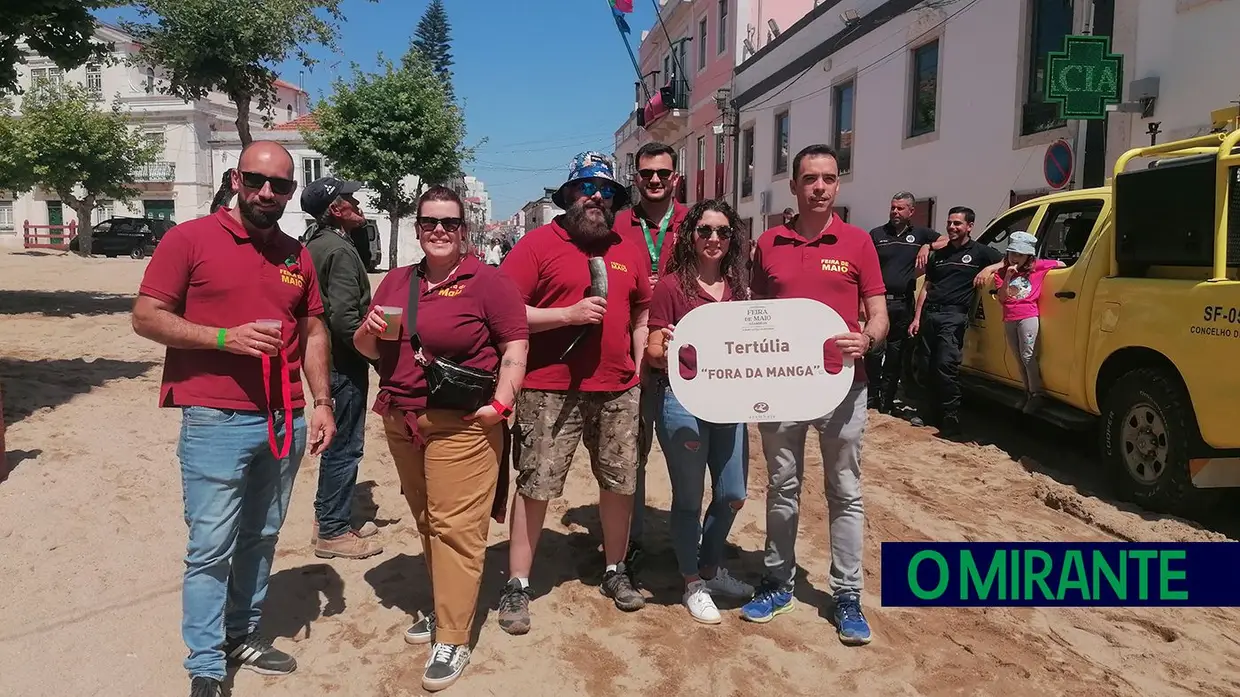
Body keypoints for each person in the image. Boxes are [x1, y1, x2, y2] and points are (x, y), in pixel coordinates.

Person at [131, 141, 336, 697]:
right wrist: (225, 338)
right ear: (235, 178)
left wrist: (322, 402)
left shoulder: (298, 255)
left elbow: (314, 329)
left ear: (292, 192)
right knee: (211, 544)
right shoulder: (189, 239)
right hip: (215, 418)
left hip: (285, 417)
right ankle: (205, 663)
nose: (268, 192)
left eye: (281, 185)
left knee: (263, 534)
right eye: (257, 179)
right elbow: (146, 316)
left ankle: (241, 632)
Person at [354, 185, 529, 691]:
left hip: (462, 423)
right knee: (428, 520)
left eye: (449, 223)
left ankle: (452, 635)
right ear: (417, 228)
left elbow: (515, 347)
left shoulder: (488, 283)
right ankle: (445, 606)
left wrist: (499, 406)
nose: (439, 231)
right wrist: (369, 330)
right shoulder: (396, 282)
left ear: (464, 228)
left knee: (457, 528)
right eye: (430, 222)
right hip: (401, 419)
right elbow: (367, 349)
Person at [496, 151, 651, 634]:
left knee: (620, 482)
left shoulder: (629, 246)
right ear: (568, 196)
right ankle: (518, 583)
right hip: (549, 388)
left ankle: (614, 569)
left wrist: (640, 369)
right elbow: (503, 313)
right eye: (586, 189)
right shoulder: (537, 244)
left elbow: (643, 312)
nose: (596, 197)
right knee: (535, 485)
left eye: (605, 191)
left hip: (618, 388)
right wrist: (566, 315)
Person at [741, 144, 887, 647]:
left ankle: (846, 593)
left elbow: (879, 312)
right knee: (782, 487)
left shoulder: (859, 242)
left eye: (828, 178)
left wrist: (868, 337)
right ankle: (777, 581)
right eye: (810, 178)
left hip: (844, 387)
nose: (820, 187)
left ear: (837, 185)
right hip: (781, 389)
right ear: (795, 185)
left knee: (845, 490)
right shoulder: (767, 243)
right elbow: (752, 314)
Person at [644, 199, 754, 623]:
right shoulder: (671, 287)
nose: (713, 239)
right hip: (682, 402)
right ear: (691, 235)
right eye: (705, 230)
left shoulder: (740, 289)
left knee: (732, 494)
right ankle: (692, 581)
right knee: (688, 499)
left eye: (723, 232)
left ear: (732, 239)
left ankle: (710, 566)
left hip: (730, 402)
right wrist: (663, 349)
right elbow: (654, 350)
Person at [610, 141, 687, 584]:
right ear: (635, 178)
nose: (654, 179)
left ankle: (685, 544)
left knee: (685, 458)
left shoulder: (696, 223)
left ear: (675, 176)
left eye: (662, 172)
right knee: (630, 458)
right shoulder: (618, 224)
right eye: (645, 173)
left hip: (686, 365)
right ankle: (631, 541)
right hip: (630, 360)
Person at [302, 176, 384, 559]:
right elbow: (344, 319)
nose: (357, 203)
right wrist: (380, 358)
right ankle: (333, 531)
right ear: (336, 209)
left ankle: (329, 517)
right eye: (350, 198)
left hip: (330, 360)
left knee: (338, 442)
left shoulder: (319, 244)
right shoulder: (338, 250)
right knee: (346, 446)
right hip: (343, 361)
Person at [909, 206, 1003, 437]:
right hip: (930, 315)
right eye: (950, 223)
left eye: (957, 224)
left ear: (970, 226)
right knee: (925, 366)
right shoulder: (938, 255)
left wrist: (989, 268)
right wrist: (917, 318)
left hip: (954, 316)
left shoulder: (981, 253)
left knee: (945, 366)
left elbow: (1009, 262)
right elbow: (927, 287)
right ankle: (928, 414)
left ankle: (950, 417)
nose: (952, 227)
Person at [865, 192, 944, 413]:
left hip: (903, 304)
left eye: (900, 209)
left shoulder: (920, 234)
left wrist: (929, 246)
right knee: (873, 352)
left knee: (895, 355)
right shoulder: (877, 234)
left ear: (911, 211)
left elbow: (949, 240)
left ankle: (887, 404)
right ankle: (871, 399)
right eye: (893, 208)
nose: (895, 212)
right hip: (879, 303)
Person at [988, 231, 1064, 414]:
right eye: (1013, 253)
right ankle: (1027, 392)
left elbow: (1061, 263)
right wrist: (1007, 276)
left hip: (1028, 315)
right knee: (1018, 357)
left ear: (1028, 256)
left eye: (1020, 255)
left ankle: (1037, 394)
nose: (1016, 258)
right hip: (1009, 317)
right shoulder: (1001, 273)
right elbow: (1002, 298)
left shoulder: (1037, 267)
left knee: (1028, 355)